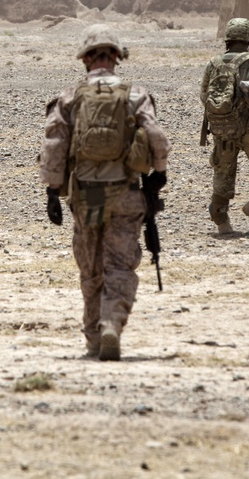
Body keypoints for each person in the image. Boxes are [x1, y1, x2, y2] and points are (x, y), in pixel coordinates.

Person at [39, 24, 170, 361]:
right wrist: (159, 174)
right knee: (120, 265)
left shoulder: (70, 97)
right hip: (125, 193)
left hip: (88, 197)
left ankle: (94, 339)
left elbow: (54, 145)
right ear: (116, 57)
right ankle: (111, 323)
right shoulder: (136, 95)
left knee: (91, 266)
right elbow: (156, 136)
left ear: (85, 59)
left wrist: (53, 192)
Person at [200, 17, 249, 235]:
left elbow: (204, 96)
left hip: (222, 130)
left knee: (223, 175)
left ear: (228, 39)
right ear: (248, 39)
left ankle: (221, 220)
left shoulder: (213, 63)